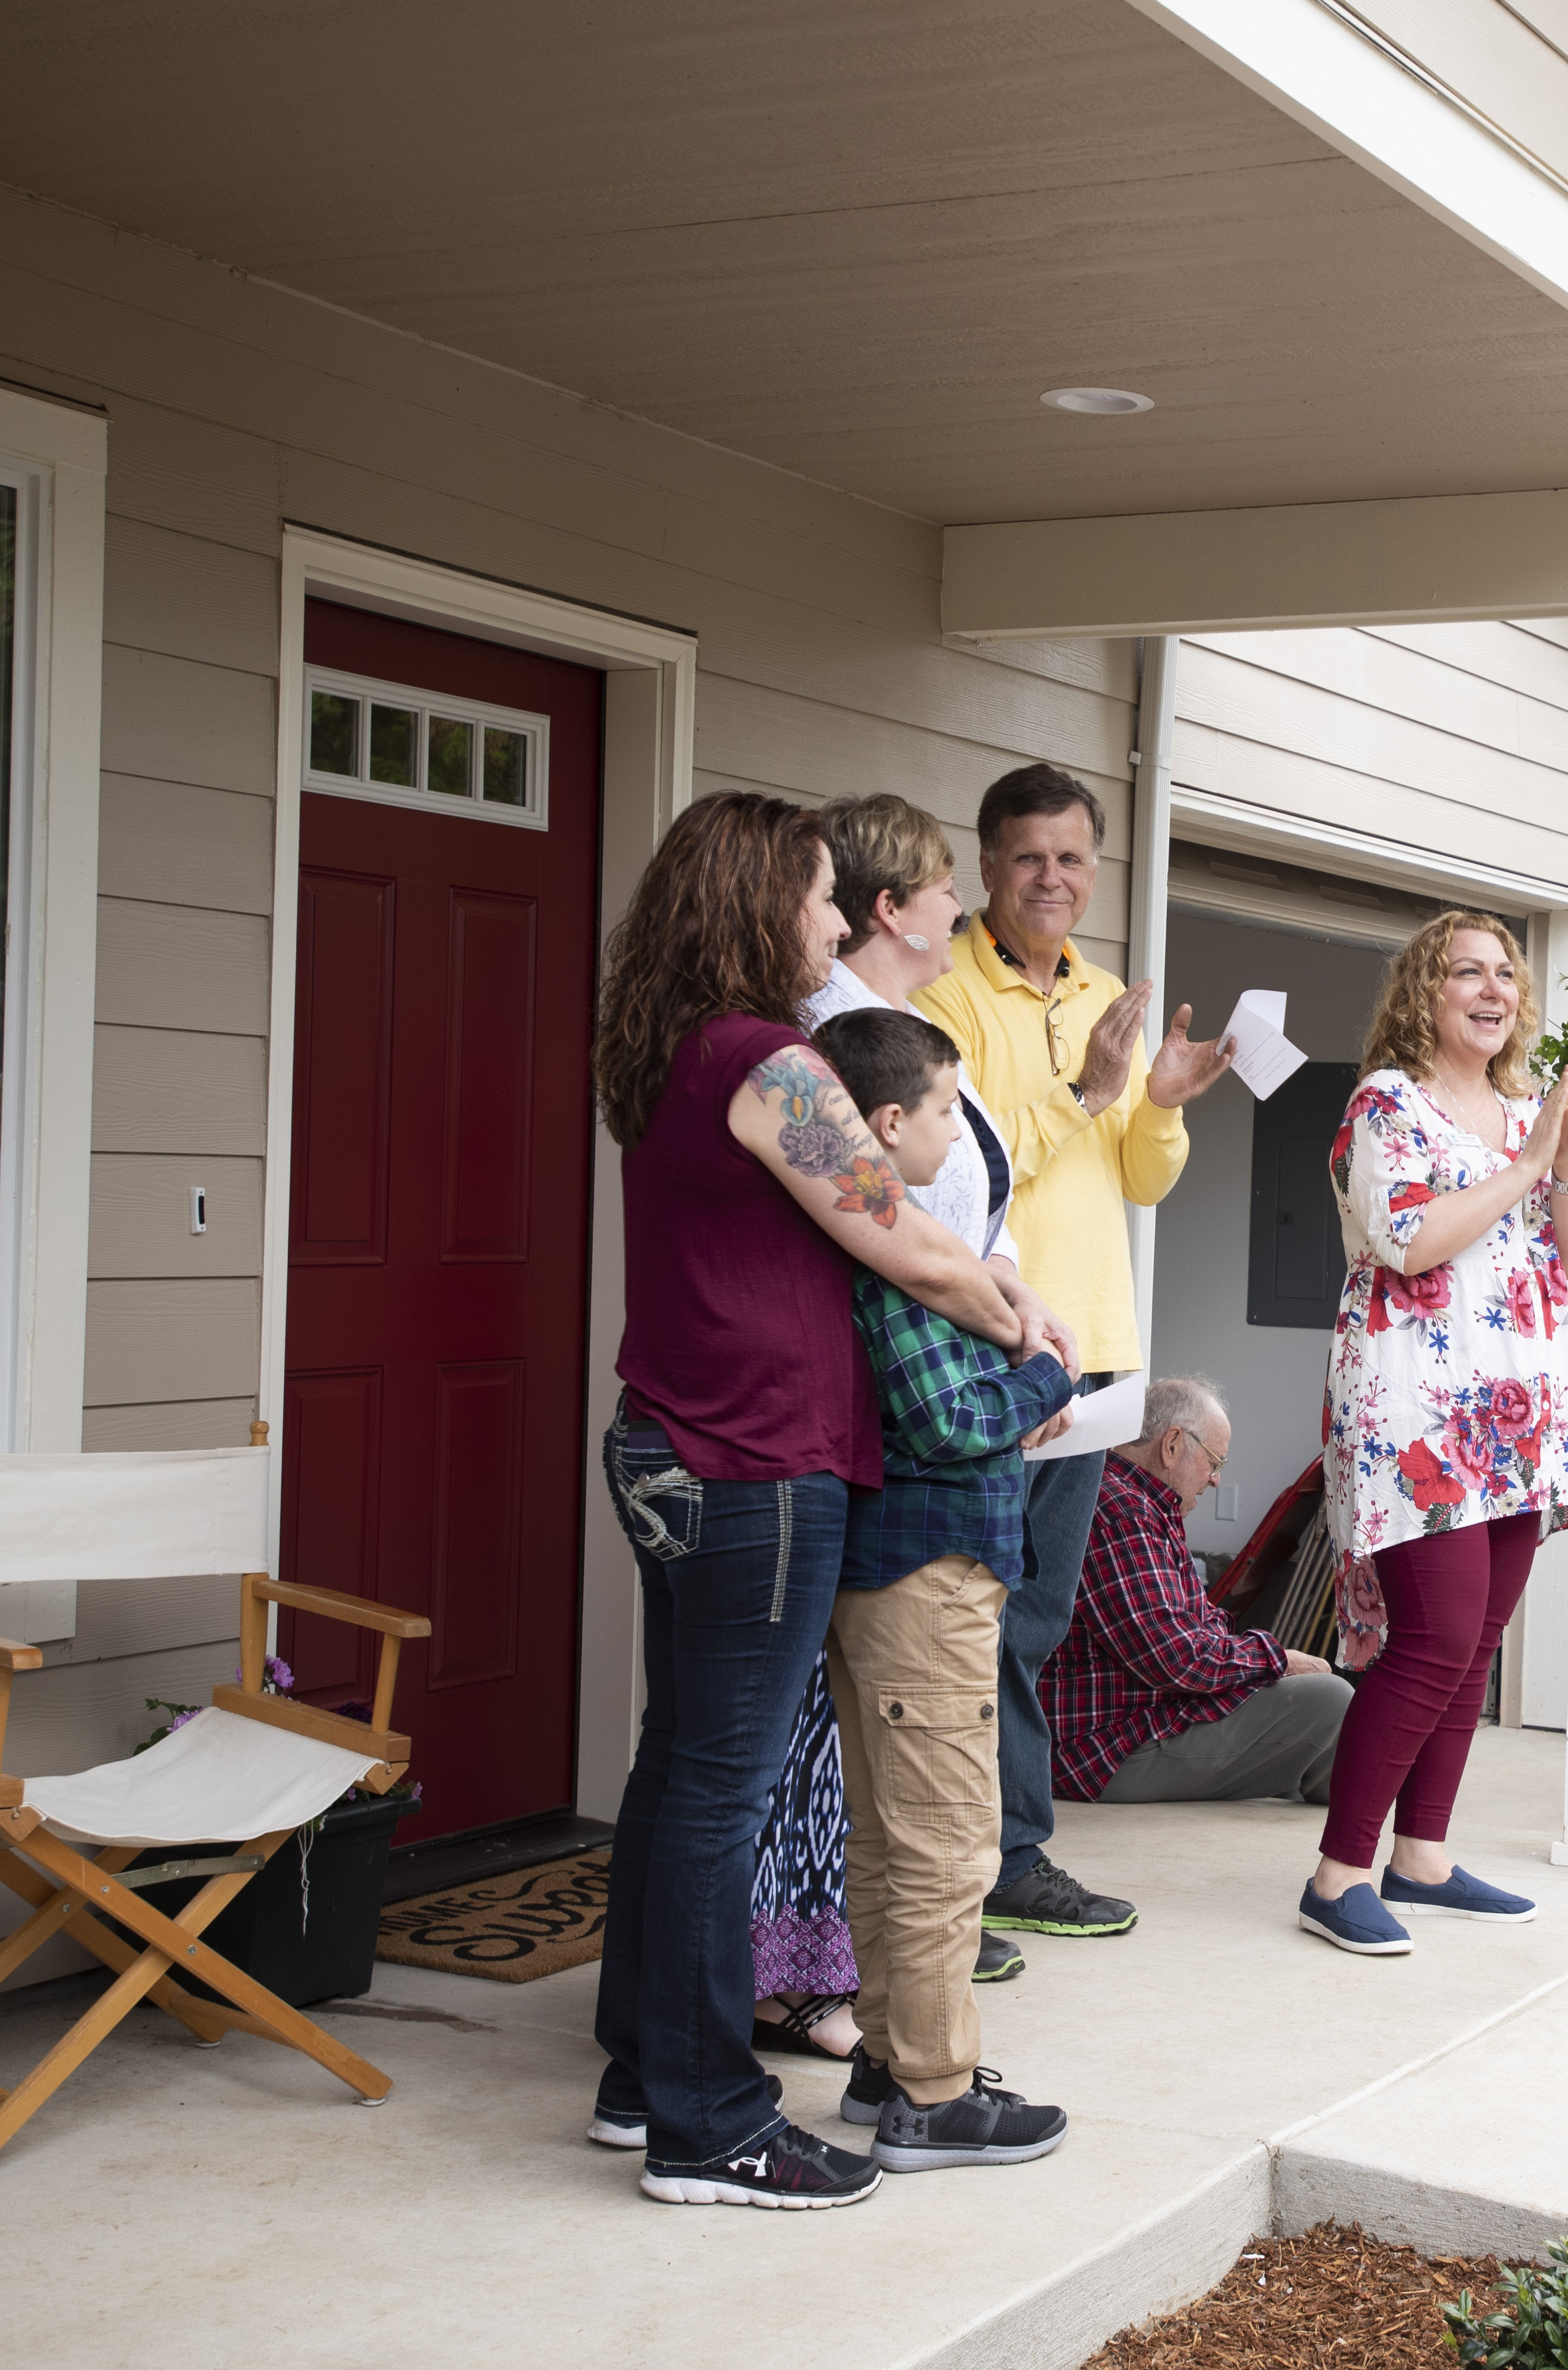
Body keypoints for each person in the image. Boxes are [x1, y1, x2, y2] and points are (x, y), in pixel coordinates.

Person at [589, 790, 1028, 2212]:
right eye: (821, 895)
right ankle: (710, 2121)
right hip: (756, 1463)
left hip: (666, 1439)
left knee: (678, 1771)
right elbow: (895, 1231)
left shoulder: (662, 1049)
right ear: (758, 898)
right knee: (720, 1786)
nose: (836, 922)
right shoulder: (771, 1061)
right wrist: (1016, 1315)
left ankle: (641, 2073)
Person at [917, 764, 1233, 1950]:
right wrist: (1086, 1086)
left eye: (1071, 858)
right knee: (957, 1618)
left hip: (1095, 1352)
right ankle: (958, 1866)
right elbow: (963, 1177)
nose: (1052, 878)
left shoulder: (1106, 988)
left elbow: (1141, 1177)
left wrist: (1152, 1102)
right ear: (987, 864)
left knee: (1036, 1617)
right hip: (990, 1347)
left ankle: (1009, 1856)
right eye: (1028, 857)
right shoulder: (942, 989)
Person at [751, 792, 1052, 2036]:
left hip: (930, 1464)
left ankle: (862, 2010)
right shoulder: (812, 1061)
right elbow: (909, 1263)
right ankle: (900, 2057)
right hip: (916, 1495)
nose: (961, 911)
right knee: (926, 1822)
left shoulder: (889, 1040)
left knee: (902, 1809)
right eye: (944, 889)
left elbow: (964, 1220)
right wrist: (1030, 1358)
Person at [1303, 911, 1568, 1954]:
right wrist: (1524, 1168)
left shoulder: (1526, 1110)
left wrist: (1560, 1161)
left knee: (1474, 1645)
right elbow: (1408, 1239)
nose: (1491, 989)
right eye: (1464, 972)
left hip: (1516, 1412)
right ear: (1423, 995)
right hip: (1420, 1408)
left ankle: (1421, 1854)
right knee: (1429, 1643)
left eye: (1504, 974)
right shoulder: (1387, 1105)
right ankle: (1338, 1874)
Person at [810, 1005, 1079, 2170]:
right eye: (938, 1114)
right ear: (886, 1123)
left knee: (888, 1835)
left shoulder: (886, 1228)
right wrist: (1048, 1379)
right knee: (946, 1842)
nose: (949, 1136)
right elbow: (952, 1413)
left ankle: (885, 2063)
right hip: (927, 1575)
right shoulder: (895, 1243)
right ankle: (932, 2090)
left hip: (888, 1568)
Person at [1046, 1376, 1355, 1805]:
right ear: (1172, 1444)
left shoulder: (1143, 1504)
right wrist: (1276, 1659)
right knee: (1330, 1701)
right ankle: (1363, 1789)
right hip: (1112, 1750)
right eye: (1215, 1462)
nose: (1214, 1480)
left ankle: (1350, 1778)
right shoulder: (1121, 1511)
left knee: (1315, 1705)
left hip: (1147, 1722)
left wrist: (1255, 1663)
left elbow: (1196, 1632)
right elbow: (1172, 1657)